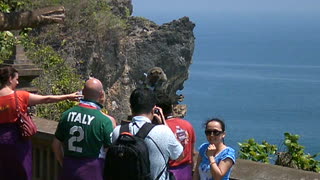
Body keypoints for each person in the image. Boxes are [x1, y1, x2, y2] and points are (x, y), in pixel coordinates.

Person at [0, 65, 82, 180]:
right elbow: (46, 99)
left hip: (2, 141)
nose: (17, 82)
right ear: (10, 79)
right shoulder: (19, 96)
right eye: (16, 79)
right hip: (18, 139)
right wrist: (68, 96)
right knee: (22, 170)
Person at [110, 88, 183, 180]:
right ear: (153, 109)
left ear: (131, 107)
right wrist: (164, 124)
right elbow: (179, 156)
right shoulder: (164, 132)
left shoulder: (118, 131)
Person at [52, 78, 114, 180]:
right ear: (101, 94)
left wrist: (64, 163)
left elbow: (55, 145)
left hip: (69, 170)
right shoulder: (104, 121)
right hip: (92, 172)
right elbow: (109, 152)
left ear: (83, 92)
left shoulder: (66, 115)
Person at [157, 99, 196, 180]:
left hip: (168, 172)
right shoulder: (188, 125)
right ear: (171, 107)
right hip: (186, 171)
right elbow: (192, 152)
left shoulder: (160, 129)